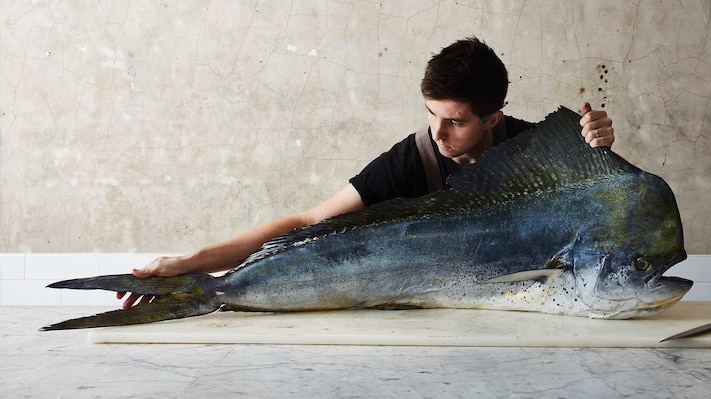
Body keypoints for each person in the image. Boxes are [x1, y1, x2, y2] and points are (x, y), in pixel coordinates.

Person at [118, 37, 615, 308]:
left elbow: (599, 214)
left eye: (456, 122)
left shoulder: (537, 151)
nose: (438, 134)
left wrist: (596, 148)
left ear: (493, 119)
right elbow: (305, 222)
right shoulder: (409, 160)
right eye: (429, 114)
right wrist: (192, 263)